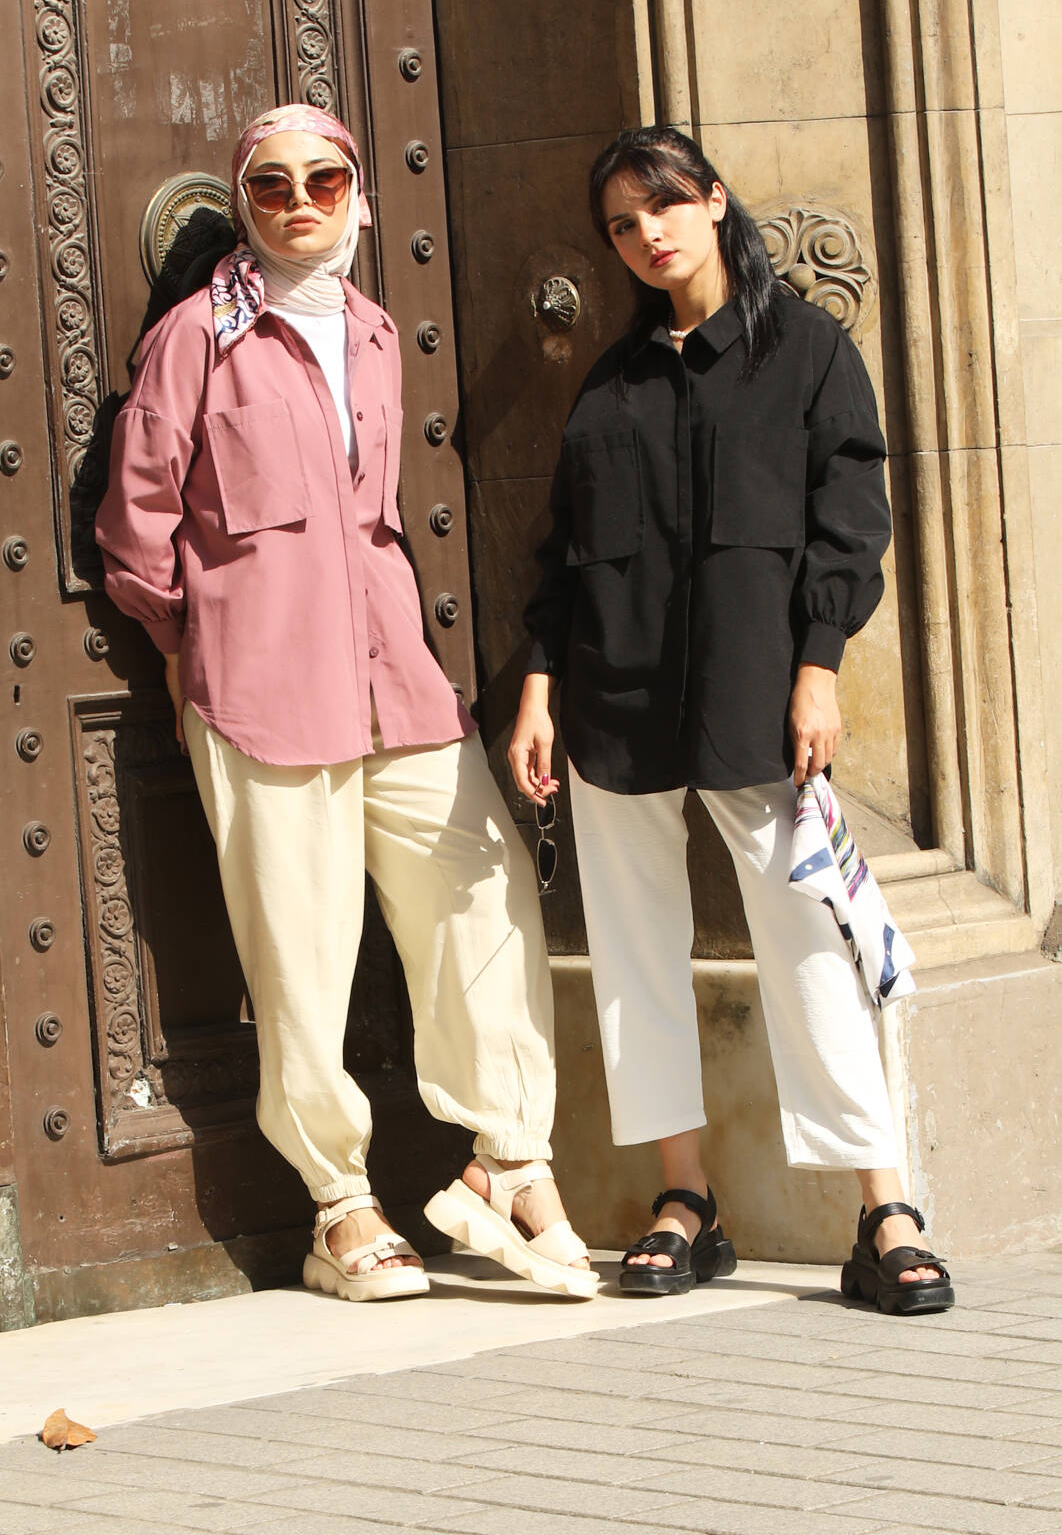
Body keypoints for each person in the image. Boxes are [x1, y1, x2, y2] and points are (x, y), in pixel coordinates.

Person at [96, 103, 596, 1304]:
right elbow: (136, 521)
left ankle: (506, 1161)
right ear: (243, 204)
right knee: (302, 945)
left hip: (391, 673)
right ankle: (340, 1205)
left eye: (323, 179)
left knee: (482, 886)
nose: (300, 203)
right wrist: (185, 645)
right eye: (271, 186)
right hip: (260, 683)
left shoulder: (373, 330)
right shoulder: (196, 338)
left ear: (360, 195)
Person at [508, 125, 953, 1315]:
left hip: (757, 694)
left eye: (662, 205)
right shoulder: (611, 383)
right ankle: (685, 1197)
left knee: (811, 936)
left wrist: (819, 666)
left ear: (712, 199)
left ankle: (885, 1207)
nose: (645, 234)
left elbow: (850, 521)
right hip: (614, 703)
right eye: (621, 224)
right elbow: (562, 555)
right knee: (632, 950)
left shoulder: (805, 352)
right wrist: (539, 687)